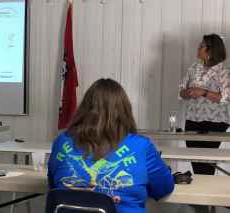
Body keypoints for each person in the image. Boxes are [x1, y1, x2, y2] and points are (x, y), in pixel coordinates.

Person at [48, 79, 174, 213]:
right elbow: (164, 188)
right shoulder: (141, 145)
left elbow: (54, 185)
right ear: (124, 111)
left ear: (84, 109)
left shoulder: (62, 141)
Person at [179, 34, 230, 175]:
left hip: (215, 122)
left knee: (206, 162)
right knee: (196, 161)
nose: (198, 48)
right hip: (192, 120)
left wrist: (203, 92)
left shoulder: (223, 72)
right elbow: (181, 92)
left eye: (202, 46)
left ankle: (207, 194)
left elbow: (225, 97)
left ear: (211, 51)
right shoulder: (193, 68)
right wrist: (188, 92)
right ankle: (203, 192)